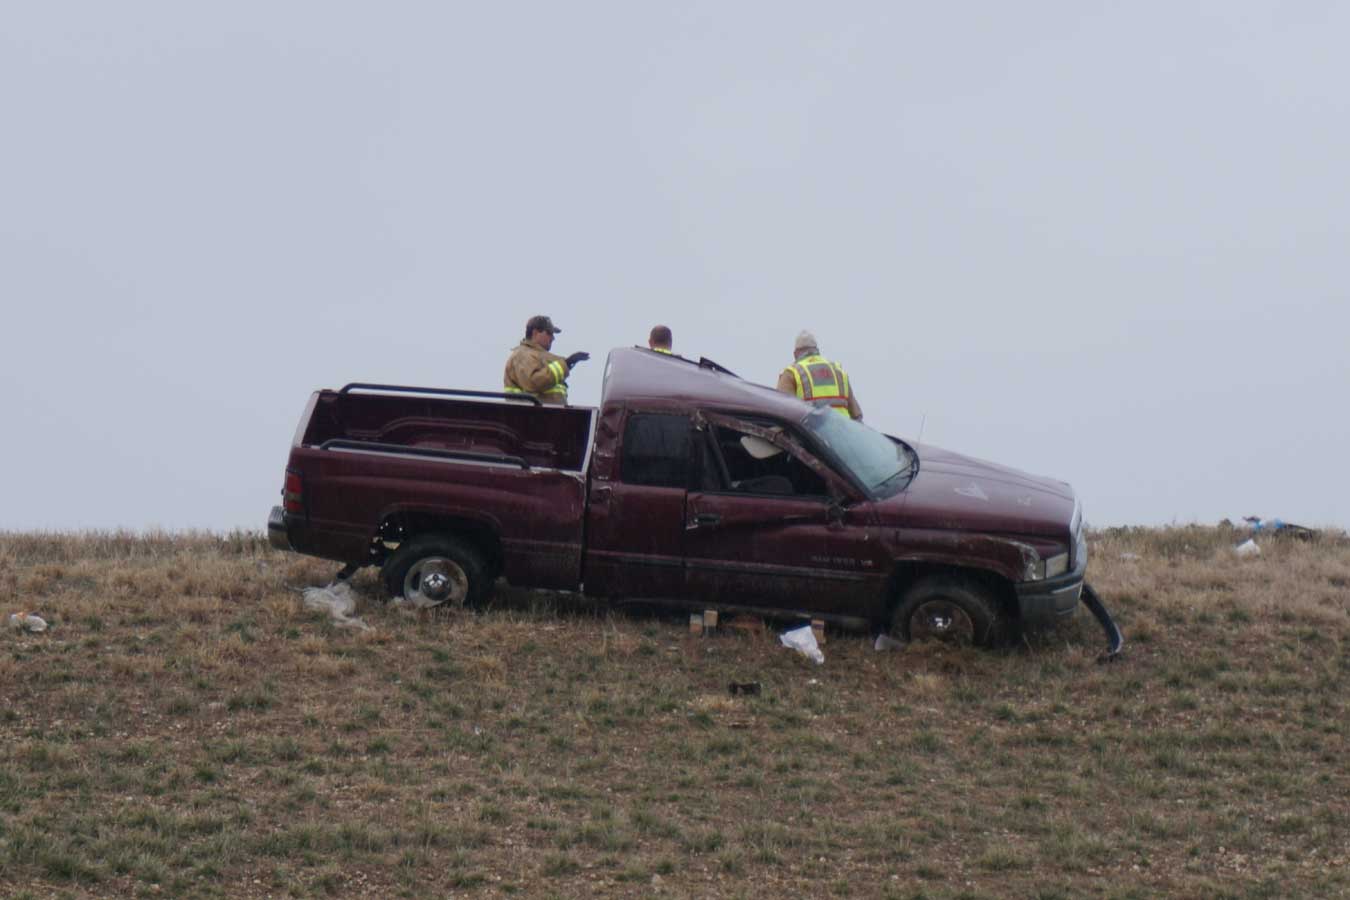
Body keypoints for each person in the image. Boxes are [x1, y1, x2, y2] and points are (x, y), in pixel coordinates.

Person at [503, 315, 589, 406]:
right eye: (549, 333)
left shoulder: (537, 355)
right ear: (535, 333)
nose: (553, 338)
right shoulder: (522, 354)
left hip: (550, 415)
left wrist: (569, 362)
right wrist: (567, 363)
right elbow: (534, 382)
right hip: (531, 416)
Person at [776, 330, 862, 420]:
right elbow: (857, 416)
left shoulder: (792, 373)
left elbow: (782, 412)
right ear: (817, 350)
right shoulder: (838, 371)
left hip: (810, 433)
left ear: (795, 354)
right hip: (841, 432)